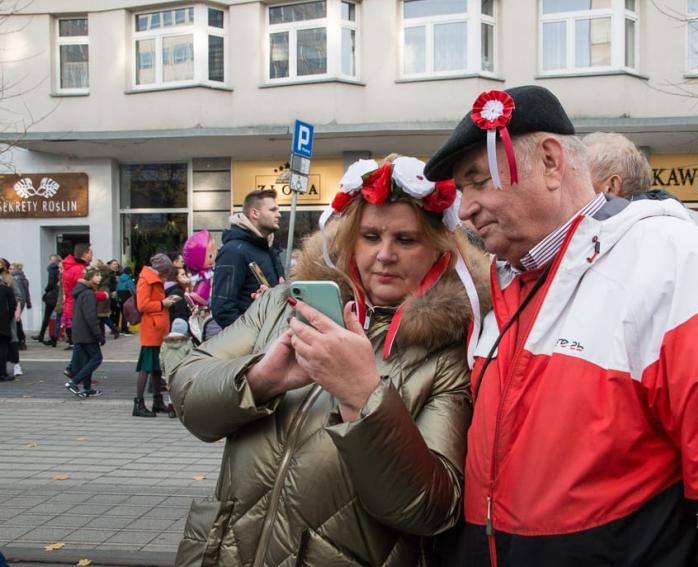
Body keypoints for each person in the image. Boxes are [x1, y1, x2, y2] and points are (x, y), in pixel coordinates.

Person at [423, 85, 698, 565]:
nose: (466, 207)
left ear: (552, 162)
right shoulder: (506, 285)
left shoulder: (675, 264)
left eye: (478, 180)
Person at [168, 155, 490, 566]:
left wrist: (363, 398)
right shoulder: (283, 304)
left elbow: (431, 509)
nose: (384, 255)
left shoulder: (451, 351)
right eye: (370, 236)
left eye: (406, 240)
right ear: (349, 239)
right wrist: (261, 379)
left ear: (439, 252)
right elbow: (189, 396)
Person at [210, 189, 284, 329]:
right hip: (252, 346)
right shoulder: (233, 251)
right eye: (273, 210)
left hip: (270, 340)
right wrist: (255, 335)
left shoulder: (270, 249)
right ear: (255, 213)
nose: (279, 214)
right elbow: (223, 310)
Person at [133, 254, 180, 418]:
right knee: (147, 367)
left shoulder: (152, 278)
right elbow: (142, 305)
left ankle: (157, 402)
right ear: (162, 270)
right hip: (152, 329)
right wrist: (163, 303)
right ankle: (138, 403)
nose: (167, 276)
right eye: (166, 272)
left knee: (156, 368)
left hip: (157, 328)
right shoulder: (146, 280)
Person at [64, 266, 104, 398]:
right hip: (87, 334)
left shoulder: (81, 291)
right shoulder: (88, 294)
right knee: (96, 358)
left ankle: (87, 388)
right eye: (97, 275)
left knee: (88, 360)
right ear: (90, 278)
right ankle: (74, 382)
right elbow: (90, 317)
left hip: (80, 332)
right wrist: (98, 334)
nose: (100, 277)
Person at [61, 243, 92, 349]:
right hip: (78, 307)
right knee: (83, 345)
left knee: (81, 345)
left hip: (74, 306)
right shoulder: (79, 270)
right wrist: (102, 295)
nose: (92, 254)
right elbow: (85, 288)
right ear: (85, 254)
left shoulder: (75, 268)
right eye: (90, 252)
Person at [0, 259, 23, 377]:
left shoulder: (10, 279)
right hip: (4, 314)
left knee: (12, 339)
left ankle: (16, 364)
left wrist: (16, 311)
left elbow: (18, 296)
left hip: (9, 313)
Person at [33, 255, 60, 344]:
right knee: (60, 316)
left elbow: (51, 282)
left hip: (53, 295)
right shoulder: (61, 268)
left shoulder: (52, 268)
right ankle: (56, 336)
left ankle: (42, 334)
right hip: (60, 294)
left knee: (47, 315)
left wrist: (46, 290)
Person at [93, 259, 119, 340]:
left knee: (101, 315)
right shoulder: (106, 272)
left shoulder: (100, 273)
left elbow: (98, 282)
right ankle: (105, 333)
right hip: (105, 291)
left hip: (102, 292)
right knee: (101, 315)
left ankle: (113, 330)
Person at [10, 263, 30, 351]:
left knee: (16, 321)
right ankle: (21, 340)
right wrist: (28, 302)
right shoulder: (23, 278)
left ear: (15, 269)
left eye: (11, 269)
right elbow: (26, 292)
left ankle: (19, 340)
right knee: (17, 320)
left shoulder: (15, 279)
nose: (9, 270)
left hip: (16, 302)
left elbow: (18, 293)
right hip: (21, 302)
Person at [115, 266, 136, 335]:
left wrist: (117, 300)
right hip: (127, 298)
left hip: (120, 299)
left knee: (123, 314)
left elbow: (117, 291)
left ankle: (123, 329)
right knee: (127, 314)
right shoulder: (129, 280)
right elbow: (134, 290)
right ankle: (125, 330)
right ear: (129, 273)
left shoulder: (120, 280)